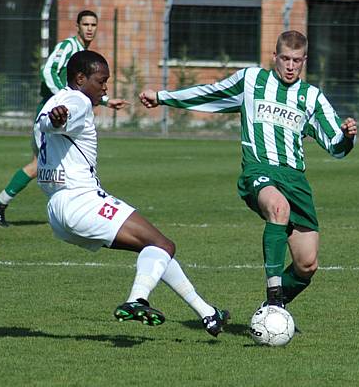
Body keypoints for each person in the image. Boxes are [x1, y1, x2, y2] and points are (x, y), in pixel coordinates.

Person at [139, 30, 358, 308]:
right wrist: (162, 97)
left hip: (295, 179)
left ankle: (270, 311)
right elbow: (211, 93)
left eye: (297, 61)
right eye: (286, 59)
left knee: (307, 265)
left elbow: (335, 146)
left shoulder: (312, 97)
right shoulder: (251, 81)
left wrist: (347, 136)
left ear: (305, 60)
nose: (291, 66)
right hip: (259, 171)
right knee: (278, 208)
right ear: (274, 56)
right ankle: (274, 294)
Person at [35, 50, 229, 336]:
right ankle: (136, 300)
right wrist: (57, 120)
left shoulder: (53, 102)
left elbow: (47, 123)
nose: (105, 87)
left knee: (153, 249)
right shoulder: (75, 103)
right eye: (101, 81)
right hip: (80, 200)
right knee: (163, 246)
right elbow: (61, 119)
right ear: (80, 78)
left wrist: (54, 119)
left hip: (56, 210)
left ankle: (207, 313)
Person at [0, 10, 128, 227]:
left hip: (64, 117)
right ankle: (1, 203)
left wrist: (107, 101)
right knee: (40, 165)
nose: (90, 28)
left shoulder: (83, 53)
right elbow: (48, 71)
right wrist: (64, 97)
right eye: (86, 24)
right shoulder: (68, 47)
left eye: (93, 25)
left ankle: (0, 202)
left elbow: (85, 89)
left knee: (38, 165)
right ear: (77, 26)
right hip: (54, 116)